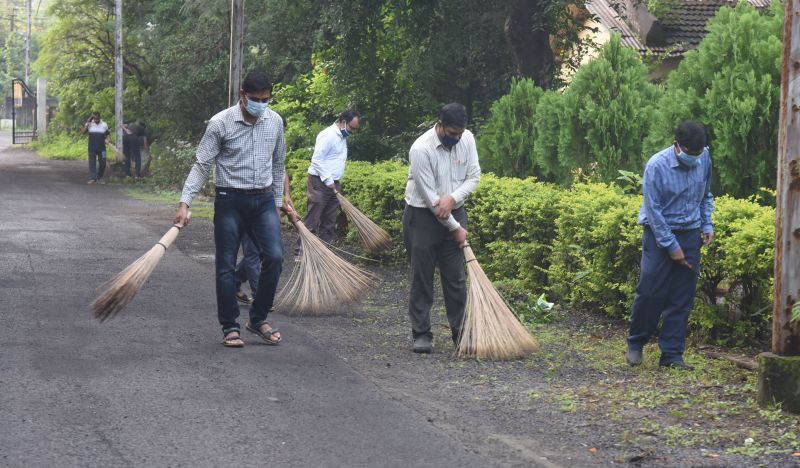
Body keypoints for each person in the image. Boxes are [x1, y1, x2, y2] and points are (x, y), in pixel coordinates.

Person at [173, 71, 287, 348]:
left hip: (262, 201)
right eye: (256, 99)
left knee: (275, 257)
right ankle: (230, 326)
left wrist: (278, 202)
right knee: (225, 266)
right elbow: (201, 165)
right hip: (230, 201)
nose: (262, 104)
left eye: (266, 99)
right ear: (242, 94)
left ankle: (258, 319)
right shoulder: (220, 123)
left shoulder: (275, 122)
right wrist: (185, 202)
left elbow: (278, 164)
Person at [626, 121, 714, 370]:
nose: (694, 158)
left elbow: (706, 194)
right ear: (677, 146)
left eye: (698, 153)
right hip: (658, 235)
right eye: (690, 154)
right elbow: (653, 212)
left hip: (690, 233)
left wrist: (707, 225)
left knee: (681, 298)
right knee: (650, 292)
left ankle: (672, 355)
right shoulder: (657, 166)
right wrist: (671, 246)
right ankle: (636, 342)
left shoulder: (704, 157)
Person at [402, 103, 480, 354]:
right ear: (440, 125)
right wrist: (455, 227)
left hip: (454, 210)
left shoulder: (467, 139)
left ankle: (461, 333)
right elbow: (430, 198)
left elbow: (474, 177)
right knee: (422, 277)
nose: (456, 138)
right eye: (452, 133)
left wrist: (453, 199)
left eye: (460, 133)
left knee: (456, 278)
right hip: (422, 216)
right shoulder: (420, 149)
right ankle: (422, 334)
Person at [294, 110, 361, 259]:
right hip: (319, 182)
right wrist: (328, 180)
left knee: (329, 221)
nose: (353, 131)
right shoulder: (328, 135)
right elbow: (317, 160)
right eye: (352, 127)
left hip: (334, 184)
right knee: (313, 218)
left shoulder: (342, 137)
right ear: (343, 122)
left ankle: (324, 254)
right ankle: (301, 253)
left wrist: (334, 182)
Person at [235, 172, 293, 304]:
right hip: (251, 207)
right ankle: (260, 297)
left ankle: (234, 280)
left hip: (268, 212)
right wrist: (285, 209)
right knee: (253, 254)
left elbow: (282, 172)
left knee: (269, 253)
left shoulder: (273, 154)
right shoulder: (254, 159)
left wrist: (287, 195)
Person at [80, 111, 110, 184]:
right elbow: (83, 132)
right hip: (92, 148)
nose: (95, 120)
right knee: (92, 163)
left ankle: (99, 177)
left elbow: (108, 134)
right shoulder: (89, 124)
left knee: (103, 163)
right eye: (94, 118)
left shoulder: (104, 125)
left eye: (97, 118)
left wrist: (108, 140)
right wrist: (87, 124)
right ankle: (93, 178)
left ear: (99, 117)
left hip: (102, 148)